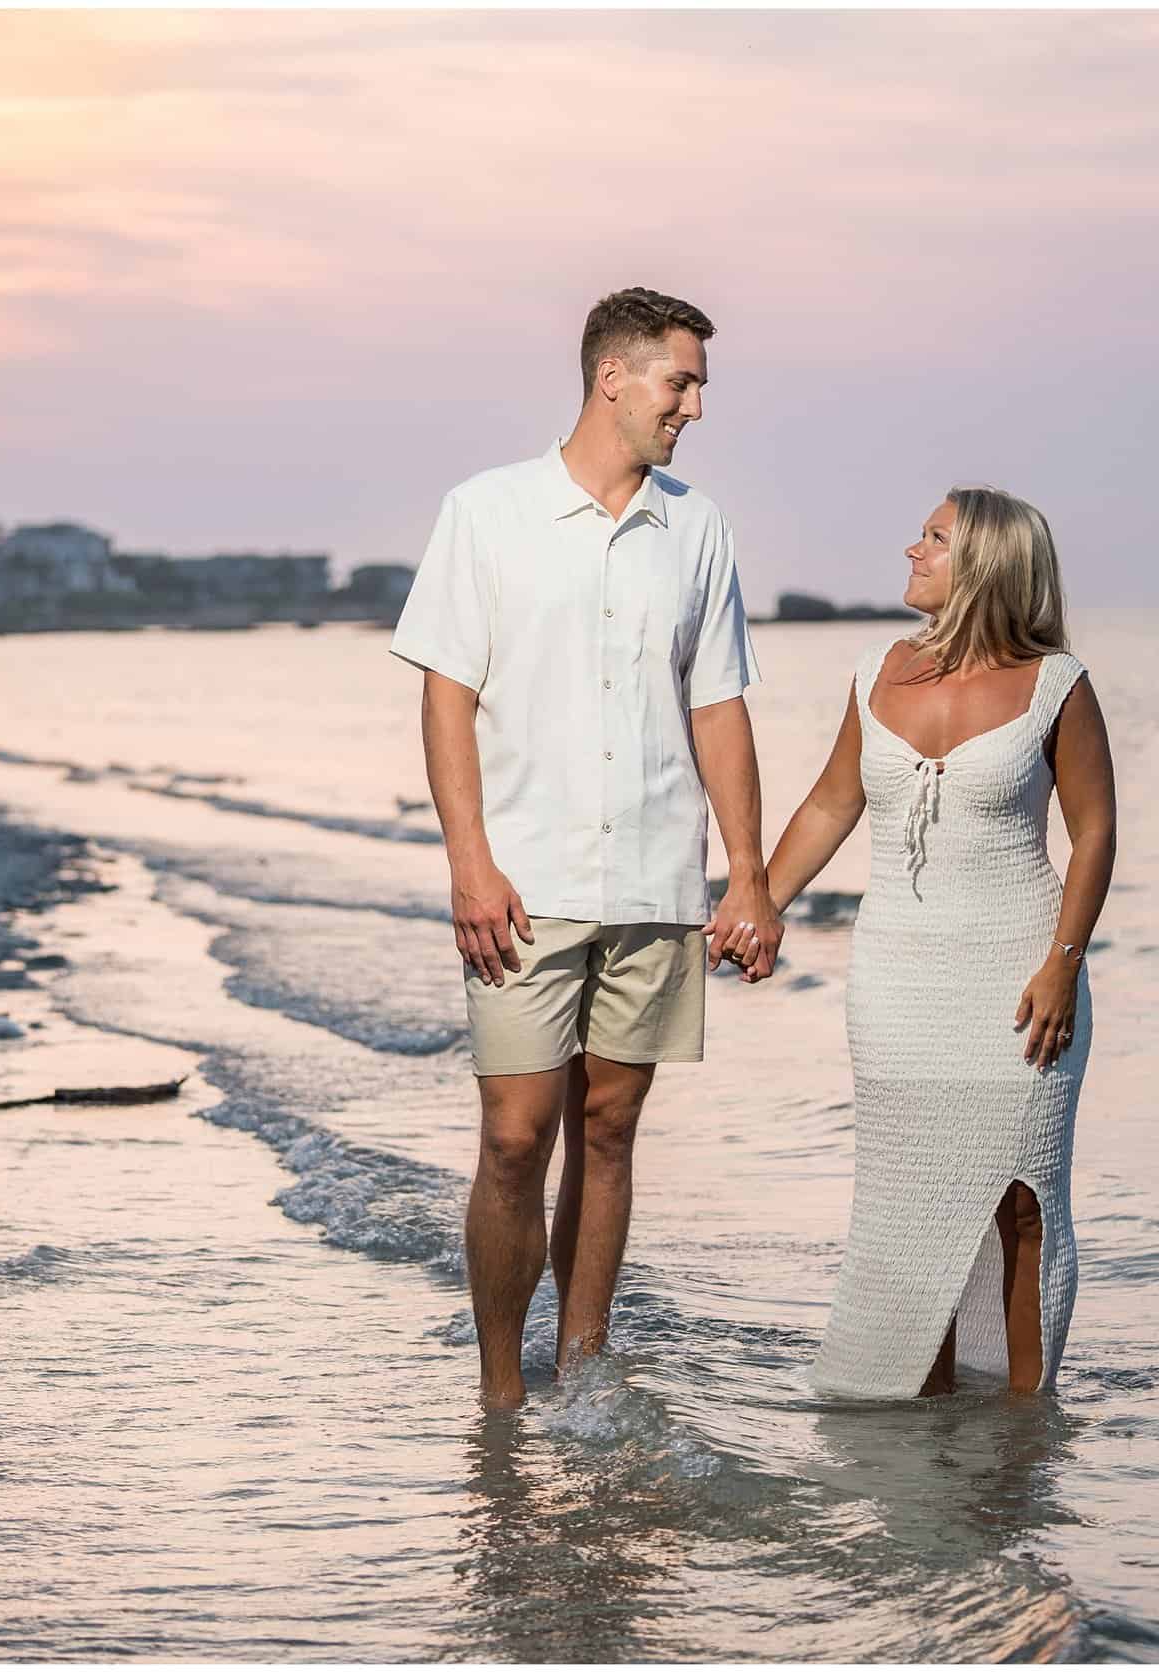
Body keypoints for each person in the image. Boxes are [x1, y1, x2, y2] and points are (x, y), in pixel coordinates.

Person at [391, 287, 782, 1411]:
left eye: (698, 383)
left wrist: (747, 874)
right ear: (612, 376)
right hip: (522, 878)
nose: (695, 406)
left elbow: (718, 706)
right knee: (517, 1136)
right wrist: (468, 860)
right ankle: (502, 1394)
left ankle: (584, 1371)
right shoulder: (486, 511)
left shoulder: (694, 524)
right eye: (682, 380)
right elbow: (446, 695)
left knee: (608, 1127)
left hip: (656, 874)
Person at [759, 487, 1116, 1398]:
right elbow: (832, 802)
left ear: (985, 565)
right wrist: (758, 899)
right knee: (918, 1210)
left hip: (1021, 979)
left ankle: (1027, 1433)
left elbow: (1096, 831)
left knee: (1021, 1202)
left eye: (935, 538)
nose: (912, 549)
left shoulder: (1058, 686)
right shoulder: (879, 668)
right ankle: (925, 1425)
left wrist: (1062, 966)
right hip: (898, 984)